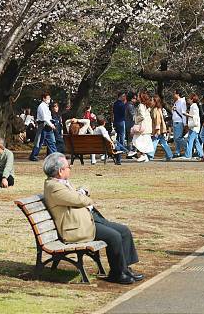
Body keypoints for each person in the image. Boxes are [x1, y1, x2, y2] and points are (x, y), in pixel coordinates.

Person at [42, 153, 143, 284]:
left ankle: (125, 269)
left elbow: (81, 192)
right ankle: (117, 274)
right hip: (78, 228)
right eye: (68, 167)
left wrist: (82, 192)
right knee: (114, 236)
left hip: (88, 220)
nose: (70, 168)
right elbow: (81, 200)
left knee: (124, 230)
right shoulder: (54, 187)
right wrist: (83, 195)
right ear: (60, 171)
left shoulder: (61, 183)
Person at [29, 93, 57, 161]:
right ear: (44, 99)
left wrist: (51, 124)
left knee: (52, 142)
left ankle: (55, 156)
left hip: (48, 126)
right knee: (39, 142)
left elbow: (48, 117)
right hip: (43, 126)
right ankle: (33, 156)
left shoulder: (46, 106)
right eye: (48, 98)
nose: (49, 99)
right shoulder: (41, 106)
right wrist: (51, 125)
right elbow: (45, 118)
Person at [129, 92, 154, 163]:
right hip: (146, 127)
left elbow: (142, 116)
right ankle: (144, 156)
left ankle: (142, 155)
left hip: (142, 127)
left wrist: (135, 119)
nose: (137, 98)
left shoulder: (141, 105)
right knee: (142, 142)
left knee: (137, 141)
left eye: (138, 96)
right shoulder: (146, 106)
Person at [151, 95, 173, 161]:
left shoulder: (155, 110)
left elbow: (157, 120)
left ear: (155, 102)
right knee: (163, 142)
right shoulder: (158, 109)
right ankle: (169, 155)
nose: (151, 102)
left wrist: (157, 129)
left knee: (154, 142)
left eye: (152, 100)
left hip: (158, 130)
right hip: (161, 129)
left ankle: (150, 155)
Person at [183, 93, 203, 160]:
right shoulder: (194, 106)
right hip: (195, 127)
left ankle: (188, 155)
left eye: (189, 98)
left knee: (190, 141)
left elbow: (195, 116)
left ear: (192, 99)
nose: (188, 100)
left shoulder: (193, 106)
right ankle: (201, 154)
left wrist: (187, 114)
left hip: (193, 127)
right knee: (196, 141)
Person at [171, 90, 187, 158]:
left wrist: (185, 123)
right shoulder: (176, 102)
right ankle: (177, 152)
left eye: (174, 93)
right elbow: (174, 112)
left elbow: (183, 113)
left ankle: (188, 147)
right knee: (175, 138)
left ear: (178, 94)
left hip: (179, 122)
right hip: (175, 121)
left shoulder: (182, 102)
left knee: (178, 138)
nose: (173, 95)